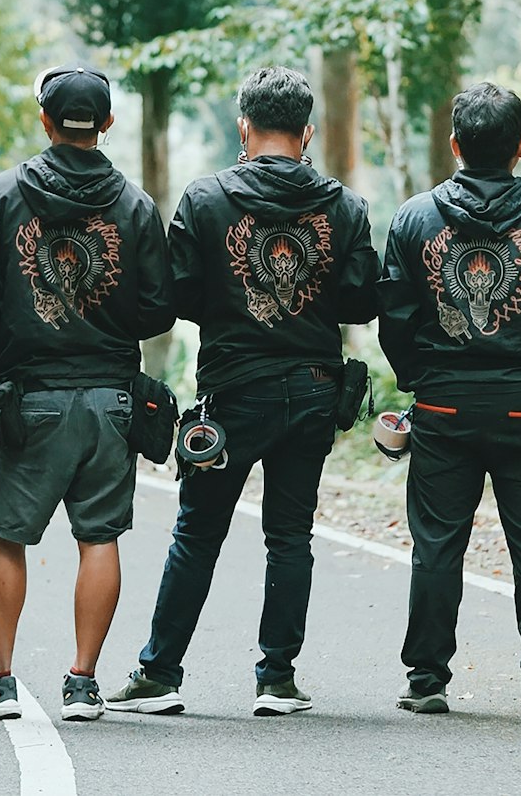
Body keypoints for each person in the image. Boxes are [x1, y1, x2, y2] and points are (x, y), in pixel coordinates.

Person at [106, 65, 380, 719]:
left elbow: (175, 297)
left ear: (244, 127)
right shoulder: (345, 206)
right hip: (315, 389)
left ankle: (160, 675)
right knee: (290, 535)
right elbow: (364, 300)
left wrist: (232, 308)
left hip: (232, 393)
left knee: (198, 534)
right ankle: (277, 679)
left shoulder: (205, 201)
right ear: (307, 131)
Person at [0, 65, 175, 722]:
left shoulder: (1, 195)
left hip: (32, 399)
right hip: (111, 401)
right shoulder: (135, 206)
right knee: (99, 537)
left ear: (46, 121)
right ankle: (83, 684)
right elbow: (159, 309)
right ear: (106, 124)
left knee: (7, 537)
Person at [378, 81, 521, 717]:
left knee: (438, 543)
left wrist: (422, 378)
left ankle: (426, 681)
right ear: (520, 146)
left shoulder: (416, 219)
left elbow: (393, 316)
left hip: (444, 407)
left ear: (454, 146)